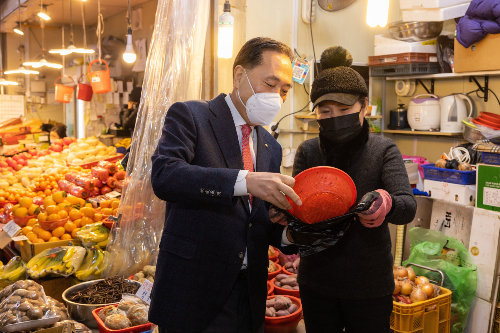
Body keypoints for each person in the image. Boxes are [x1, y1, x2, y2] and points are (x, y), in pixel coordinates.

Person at [149, 37, 302, 333]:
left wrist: (288, 232)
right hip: (194, 289)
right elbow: (165, 175)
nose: (277, 97)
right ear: (239, 75)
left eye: (285, 91)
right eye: (270, 84)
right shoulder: (192, 116)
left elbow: (257, 221)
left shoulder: (271, 147)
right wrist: (244, 181)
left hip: (250, 294)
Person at [272, 46, 417, 333]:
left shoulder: (383, 150)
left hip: (369, 286)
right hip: (317, 283)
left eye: (344, 109)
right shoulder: (309, 151)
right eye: (325, 111)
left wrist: (387, 203)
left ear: (364, 106)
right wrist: (285, 212)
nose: (334, 117)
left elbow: (407, 207)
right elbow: (297, 207)